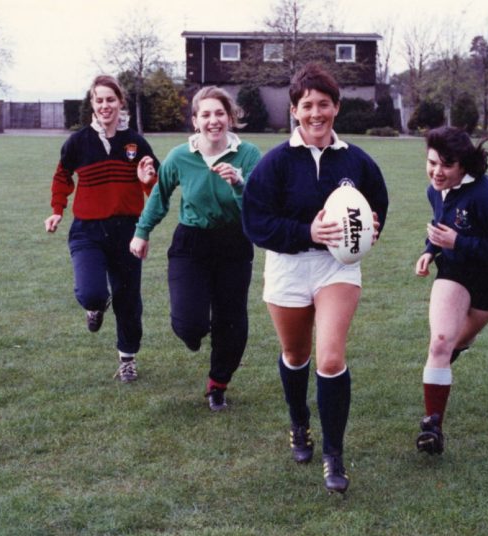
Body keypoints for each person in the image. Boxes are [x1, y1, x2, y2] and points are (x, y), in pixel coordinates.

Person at [242, 63, 389, 494]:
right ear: (294, 110)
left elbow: (377, 207)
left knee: (329, 358)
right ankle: (299, 422)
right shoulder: (276, 163)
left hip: (336, 268)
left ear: (336, 108)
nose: (316, 113)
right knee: (295, 354)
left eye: (324, 104)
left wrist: (371, 229)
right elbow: (255, 222)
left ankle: (333, 454)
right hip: (287, 266)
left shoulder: (356, 161)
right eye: (307, 105)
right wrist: (307, 231)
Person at [129, 86, 262, 411]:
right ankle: (193, 333)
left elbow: (259, 208)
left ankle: (218, 385)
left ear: (230, 117)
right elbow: (160, 195)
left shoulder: (249, 156)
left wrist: (239, 184)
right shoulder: (180, 157)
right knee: (190, 325)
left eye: (220, 113)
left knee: (232, 321)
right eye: (206, 114)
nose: (213, 120)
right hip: (191, 242)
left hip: (234, 244)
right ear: (195, 120)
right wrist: (141, 232)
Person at [44, 75, 159, 383]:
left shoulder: (136, 142)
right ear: (92, 104)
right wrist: (57, 210)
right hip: (87, 231)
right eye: (99, 100)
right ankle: (94, 307)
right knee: (93, 292)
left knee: (128, 299)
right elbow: (62, 177)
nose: (105, 105)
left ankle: (127, 359)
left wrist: (147, 181)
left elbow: (156, 185)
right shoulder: (78, 142)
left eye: (111, 99)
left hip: (127, 232)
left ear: (120, 102)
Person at [413, 126, 488, 455]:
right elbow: (441, 225)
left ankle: (442, 370)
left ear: (464, 165)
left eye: (446, 165)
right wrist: (430, 250)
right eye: (432, 163)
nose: (437, 172)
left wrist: (457, 242)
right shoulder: (436, 190)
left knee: (459, 341)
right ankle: (433, 426)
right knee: (441, 342)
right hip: (455, 271)